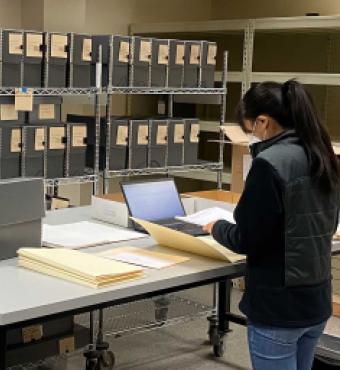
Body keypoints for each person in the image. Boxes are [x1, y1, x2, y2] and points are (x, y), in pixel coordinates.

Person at [203, 80, 340, 370]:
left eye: (250, 126)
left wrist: (216, 228)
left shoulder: (270, 163)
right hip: (316, 300)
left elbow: (247, 239)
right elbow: (328, 222)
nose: (250, 135)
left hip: (280, 307)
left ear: (263, 122)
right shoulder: (322, 154)